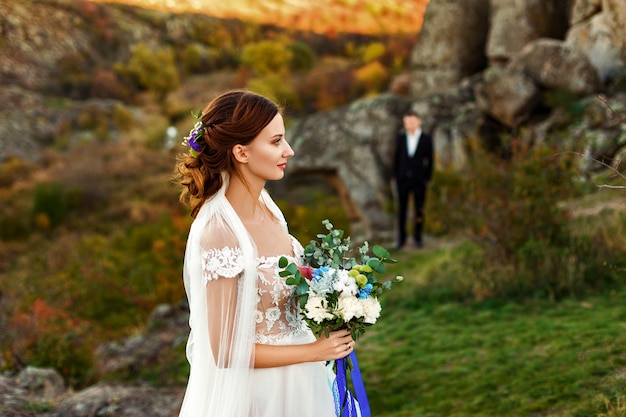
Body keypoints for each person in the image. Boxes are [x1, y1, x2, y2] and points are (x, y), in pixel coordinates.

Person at [174, 90, 355, 417]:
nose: (289, 150)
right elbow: (225, 351)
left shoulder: (268, 209)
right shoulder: (221, 232)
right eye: (276, 142)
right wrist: (314, 350)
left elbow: (275, 288)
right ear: (241, 152)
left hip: (303, 383)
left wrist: (333, 300)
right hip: (260, 397)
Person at [392, 110, 434, 249]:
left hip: (419, 180)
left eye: (411, 121)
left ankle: (418, 238)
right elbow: (397, 158)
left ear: (418, 121)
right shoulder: (401, 138)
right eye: (406, 122)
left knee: (419, 209)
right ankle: (401, 239)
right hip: (402, 179)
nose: (408, 124)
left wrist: (427, 177)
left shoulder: (426, 139)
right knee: (401, 210)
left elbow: (430, 160)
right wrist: (395, 176)